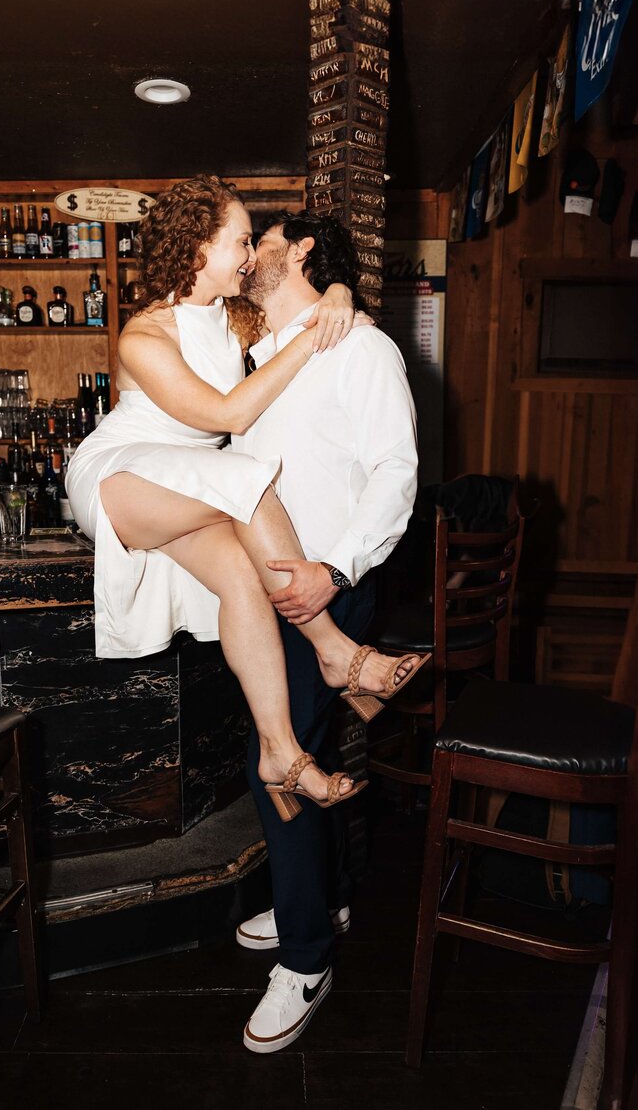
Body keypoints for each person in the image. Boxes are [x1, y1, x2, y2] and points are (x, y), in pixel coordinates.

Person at [66, 176, 426, 816]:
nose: (249, 256)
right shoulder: (143, 336)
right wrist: (321, 331)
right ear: (198, 248)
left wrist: (337, 295)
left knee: (239, 574)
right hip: (121, 476)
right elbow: (228, 418)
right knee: (247, 479)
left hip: (191, 479)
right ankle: (337, 653)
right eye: (239, 241)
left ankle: (280, 754)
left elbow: (301, 295)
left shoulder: (235, 316)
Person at [230, 211, 419, 1053]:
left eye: (260, 241)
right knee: (305, 750)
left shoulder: (363, 349)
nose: (248, 256)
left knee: (279, 764)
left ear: (301, 250)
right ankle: (325, 896)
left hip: (328, 591)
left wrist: (335, 571)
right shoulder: (253, 357)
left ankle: (306, 959)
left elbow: (397, 471)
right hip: (264, 597)